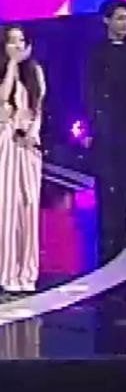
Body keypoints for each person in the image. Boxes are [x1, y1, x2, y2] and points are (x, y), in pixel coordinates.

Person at [84, 0, 126, 264]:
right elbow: (89, 90)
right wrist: (91, 125)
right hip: (104, 123)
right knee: (105, 179)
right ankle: (106, 230)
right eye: (120, 18)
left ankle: (123, 230)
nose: (125, 24)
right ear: (106, 20)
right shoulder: (96, 53)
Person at [0, 25, 46, 294]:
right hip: (5, 144)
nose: (17, 46)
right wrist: (11, 66)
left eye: (21, 41)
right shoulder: (5, 72)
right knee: (7, 209)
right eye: (12, 41)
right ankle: (6, 273)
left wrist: (32, 133)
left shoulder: (35, 71)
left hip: (29, 145)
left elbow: (38, 108)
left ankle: (27, 273)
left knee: (28, 207)